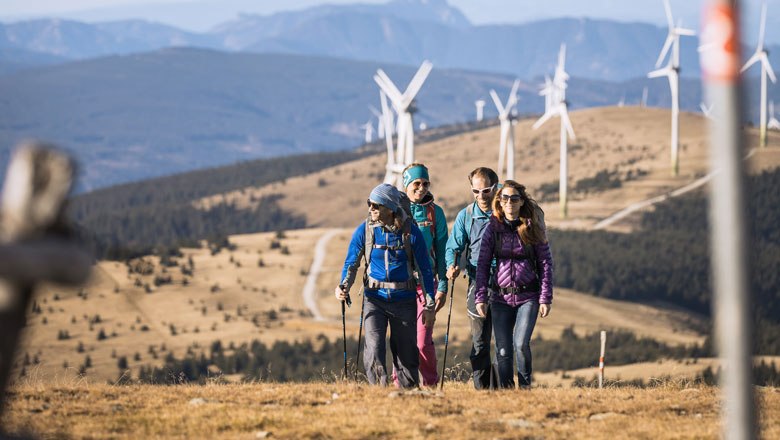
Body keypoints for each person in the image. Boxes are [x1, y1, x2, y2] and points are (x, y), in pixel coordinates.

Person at [335, 183, 436, 388]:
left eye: (375, 205)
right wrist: (343, 285)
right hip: (374, 298)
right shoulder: (364, 231)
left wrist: (429, 304)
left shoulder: (411, 233)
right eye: (369, 204)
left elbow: (425, 270)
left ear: (390, 208)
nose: (370, 209)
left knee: (406, 351)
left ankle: (407, 395)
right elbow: (351, 263)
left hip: (404, 299)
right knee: (374, 347)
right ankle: (379, 393)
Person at [474, 180, 553, 389]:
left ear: (521, 202)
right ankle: (507, 392)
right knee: (502, 350)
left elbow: (545, 264)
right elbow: (482, 264)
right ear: (499, 201)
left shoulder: (532, 228)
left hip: (528, 296)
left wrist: (545, 298)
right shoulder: (492, 229)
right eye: (505, 198)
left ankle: (525, 388)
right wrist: (480, 297)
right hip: (500, 298)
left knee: (520, 345)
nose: (510, 202)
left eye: (514, 198)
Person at [444, 167, 500, 389]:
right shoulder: (465, 215)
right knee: (480, 342)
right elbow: (453, 247)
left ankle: (503, 388)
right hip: (477, 282)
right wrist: (451, 265)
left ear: (495, 188)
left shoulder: (505, 211)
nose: (481, 196)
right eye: (475, 191)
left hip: (506, 282)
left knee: (505, 343)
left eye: (486, 191)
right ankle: (482, 389)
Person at [395, 163, 448, 386]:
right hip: (398, 284)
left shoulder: (435, 213)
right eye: (416, 183)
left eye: (425, 183)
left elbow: (443, 250)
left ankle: (431, 385)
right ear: (406, 185)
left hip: (426, 285)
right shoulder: (395, 212)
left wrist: (443, 285)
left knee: (422, 341)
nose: (421, 188)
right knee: (400, 340)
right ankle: (400, 384)